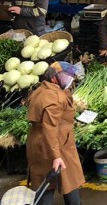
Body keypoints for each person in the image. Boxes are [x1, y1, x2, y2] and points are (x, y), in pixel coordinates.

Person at [26, 61, 84, 205]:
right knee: (68, 180)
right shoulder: (55, 98)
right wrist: (56, 156)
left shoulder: (41, 90)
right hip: (57, 145)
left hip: (38, 144)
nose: (70, 80)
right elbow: (50, 128)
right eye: (66, 76)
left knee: (44, 183)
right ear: (54, 78)